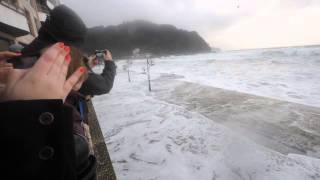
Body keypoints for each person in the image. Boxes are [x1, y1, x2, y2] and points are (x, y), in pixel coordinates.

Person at [0, 43, 89, 179]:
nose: (13, 70)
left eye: (36, 63)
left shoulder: (73, 140)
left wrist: (23, 114)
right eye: (32, 61)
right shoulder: (73, 138)